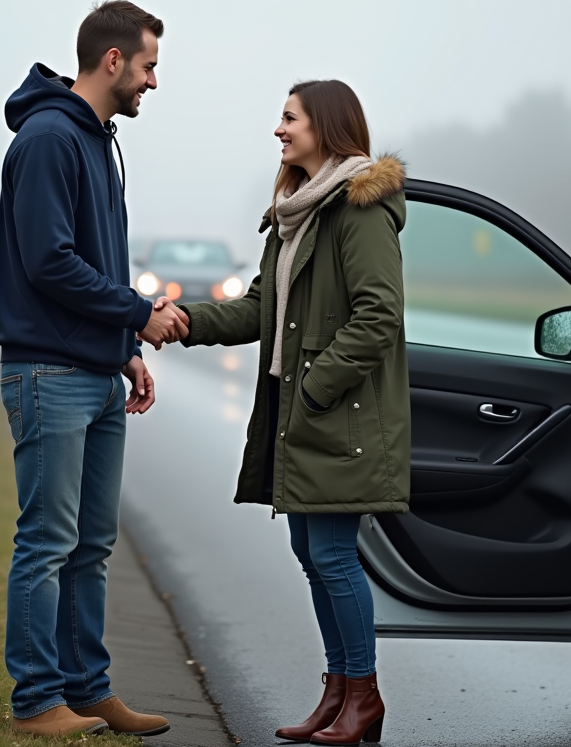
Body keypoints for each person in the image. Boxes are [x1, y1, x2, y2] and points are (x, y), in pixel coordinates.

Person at [154, 80, 410, 745]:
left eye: (289, 118)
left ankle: (365, 697)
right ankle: (337, 692)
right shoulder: (296, 213)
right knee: (310, 549)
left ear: (324, 126)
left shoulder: (359, 207)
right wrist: (186, 322)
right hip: (307, 414)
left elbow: (378, 314)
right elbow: (258, 307)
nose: (279, 129)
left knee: (331, 553)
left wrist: (318, 385)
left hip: (339, 416)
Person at [0, 0, 187, 739]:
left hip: (97, 372)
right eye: (149, 67)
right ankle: (38, 701)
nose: (153, 83)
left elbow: (95, 261)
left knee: (92, 546)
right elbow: (50, 263)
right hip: (48, 373)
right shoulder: (49, 139)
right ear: (113, 61)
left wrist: (127, 350)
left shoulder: (97, 140)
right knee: (46, 541)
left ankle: (88, 688)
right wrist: (139, 312)